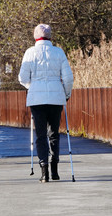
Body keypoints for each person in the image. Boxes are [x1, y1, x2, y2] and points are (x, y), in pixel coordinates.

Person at [18, 24, 74, 183]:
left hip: (37, 100)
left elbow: (22, 78)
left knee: (40, 135)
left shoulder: (30, 52)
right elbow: (68, 78)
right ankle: (55, 170)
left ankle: (44, 172)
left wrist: (33, 87)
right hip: (56, 98)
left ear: (35, 37)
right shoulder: (58, 52)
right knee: (54, 133)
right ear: (50, 36)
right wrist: (66, 93)